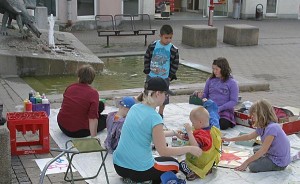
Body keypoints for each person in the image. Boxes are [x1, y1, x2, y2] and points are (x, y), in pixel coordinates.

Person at [113, 77, 201, 184]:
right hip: (139, 171)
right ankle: (147, 180)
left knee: (156, 159)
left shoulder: (135, 108)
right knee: (174, 164)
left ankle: (138, 179)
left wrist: (173, 132)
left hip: (119, 166)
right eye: (165, 94)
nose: (166, 97)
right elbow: (163, 151)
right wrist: (190, 149)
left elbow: (146, 133)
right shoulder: (155, 117)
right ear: (158, 94)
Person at [222, 99, 291, 172]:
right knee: (256, 150)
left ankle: (271, 164)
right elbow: (248, 136)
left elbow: (263, 150)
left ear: (261, 115)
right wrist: (229, 139)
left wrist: (246, 163)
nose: (252, 118)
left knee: (252, 166)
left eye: (253, 116)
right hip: (272, 153)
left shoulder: (272, 128)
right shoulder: (263, 126)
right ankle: (263, 159)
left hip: (279, 162)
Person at [57, 64, 105, 138]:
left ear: (78, 76)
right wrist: (94, 138)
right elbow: (92, 118)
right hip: (78, 131)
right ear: (92, 79)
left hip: (62, 125)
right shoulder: (93, 93)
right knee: (107, 119)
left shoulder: (70, 87)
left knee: (100, 105)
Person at [143, 24, 179, 118]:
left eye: (170, 38)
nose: (168, 40)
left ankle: (161, 113)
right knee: (149, 93)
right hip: (152, 75)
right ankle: (150, 110)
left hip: (164, 76)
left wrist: (170, 75)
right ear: (160, 36)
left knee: (164, 95)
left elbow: (175, 63)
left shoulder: (173, 49)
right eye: (166, 37)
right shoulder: (153, 45)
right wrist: (147, 70)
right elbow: (147, 57)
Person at [176, 106, 222, 181]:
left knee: (180, 162)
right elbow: (193, 136)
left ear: (200, 122)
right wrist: (183, 136)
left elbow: (195, 146)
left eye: (193, 123)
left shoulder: (204, 135)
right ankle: (207, 169)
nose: (192, 125)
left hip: (199, 162)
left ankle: (191, 172)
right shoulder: (210, 129)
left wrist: (188, 131)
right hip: (209, 160)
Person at [194, 57, 239, 130]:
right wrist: (201, 96)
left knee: (222, 124)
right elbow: (206, 95)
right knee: (198, 119)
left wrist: (220, 108)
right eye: (213, 69)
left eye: (216, 69)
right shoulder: (210, 80)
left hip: (224, 110)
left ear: (223, 69)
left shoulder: (232, 83)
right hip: (211, 109)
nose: (214, 71)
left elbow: (234, 101)